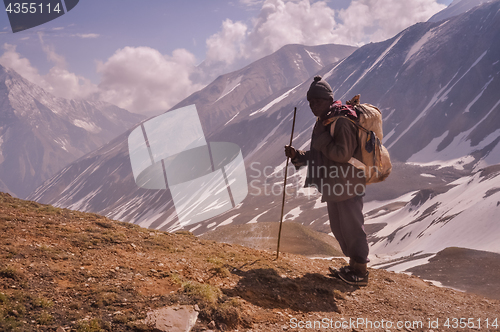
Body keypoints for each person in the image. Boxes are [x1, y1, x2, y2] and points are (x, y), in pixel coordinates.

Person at [284, 75, 369, 286]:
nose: (313, 106)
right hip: (335, 184)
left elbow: (342, 154)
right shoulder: (324, 121)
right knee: (339, 228)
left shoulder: (340, 122)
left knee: (352, 227)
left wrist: (321, 139)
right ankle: (352, 266)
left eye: (318, 101)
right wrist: (298, 156)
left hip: (348, 184)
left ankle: (360, 272)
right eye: (311, 102)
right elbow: (320, 155)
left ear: (329, 100)